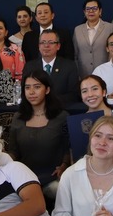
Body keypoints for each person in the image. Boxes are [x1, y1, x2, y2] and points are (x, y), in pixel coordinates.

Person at [7, 69, 70, 199]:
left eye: (37, 87)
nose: (31, 92)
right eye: (27, 87)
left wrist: (64, 166)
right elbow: (13, 151)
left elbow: (68, 148)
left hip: (52, 178)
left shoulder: (61, 117)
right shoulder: (18, 117)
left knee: (61, 191)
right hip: (24, 180)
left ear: (47, 90)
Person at [23, 29, 81, 106]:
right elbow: (24, 91)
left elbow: (73, 95)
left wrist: (48, 101)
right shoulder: (29, 66)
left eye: (50, 42)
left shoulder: (69, 66)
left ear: (58, 46)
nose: (46, 46)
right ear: (39, 46)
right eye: (43, 42)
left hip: (60, 108)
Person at [74, 0, 113, 76]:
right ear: (84, 12)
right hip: (84, 75)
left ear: (100, 11)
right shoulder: (77, 30)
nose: (91, 11)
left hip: (106, 74)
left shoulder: (110, 27)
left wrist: (111, 71)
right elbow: (75, 55)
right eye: (88, 9)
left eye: (94, 8)